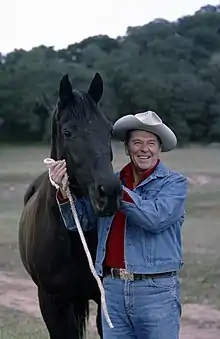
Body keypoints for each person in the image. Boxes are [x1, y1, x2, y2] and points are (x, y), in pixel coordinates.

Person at [51, 110, 188, 339]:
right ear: (126, 148)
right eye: (137, 142)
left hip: (156, 291)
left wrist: (116, 190)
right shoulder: (110, 183)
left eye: (151, 143)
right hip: (112, 290)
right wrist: (65, 193)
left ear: (159, 148)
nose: (144, 149)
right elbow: (81, 223)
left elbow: (155, 218)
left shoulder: (174, 184)